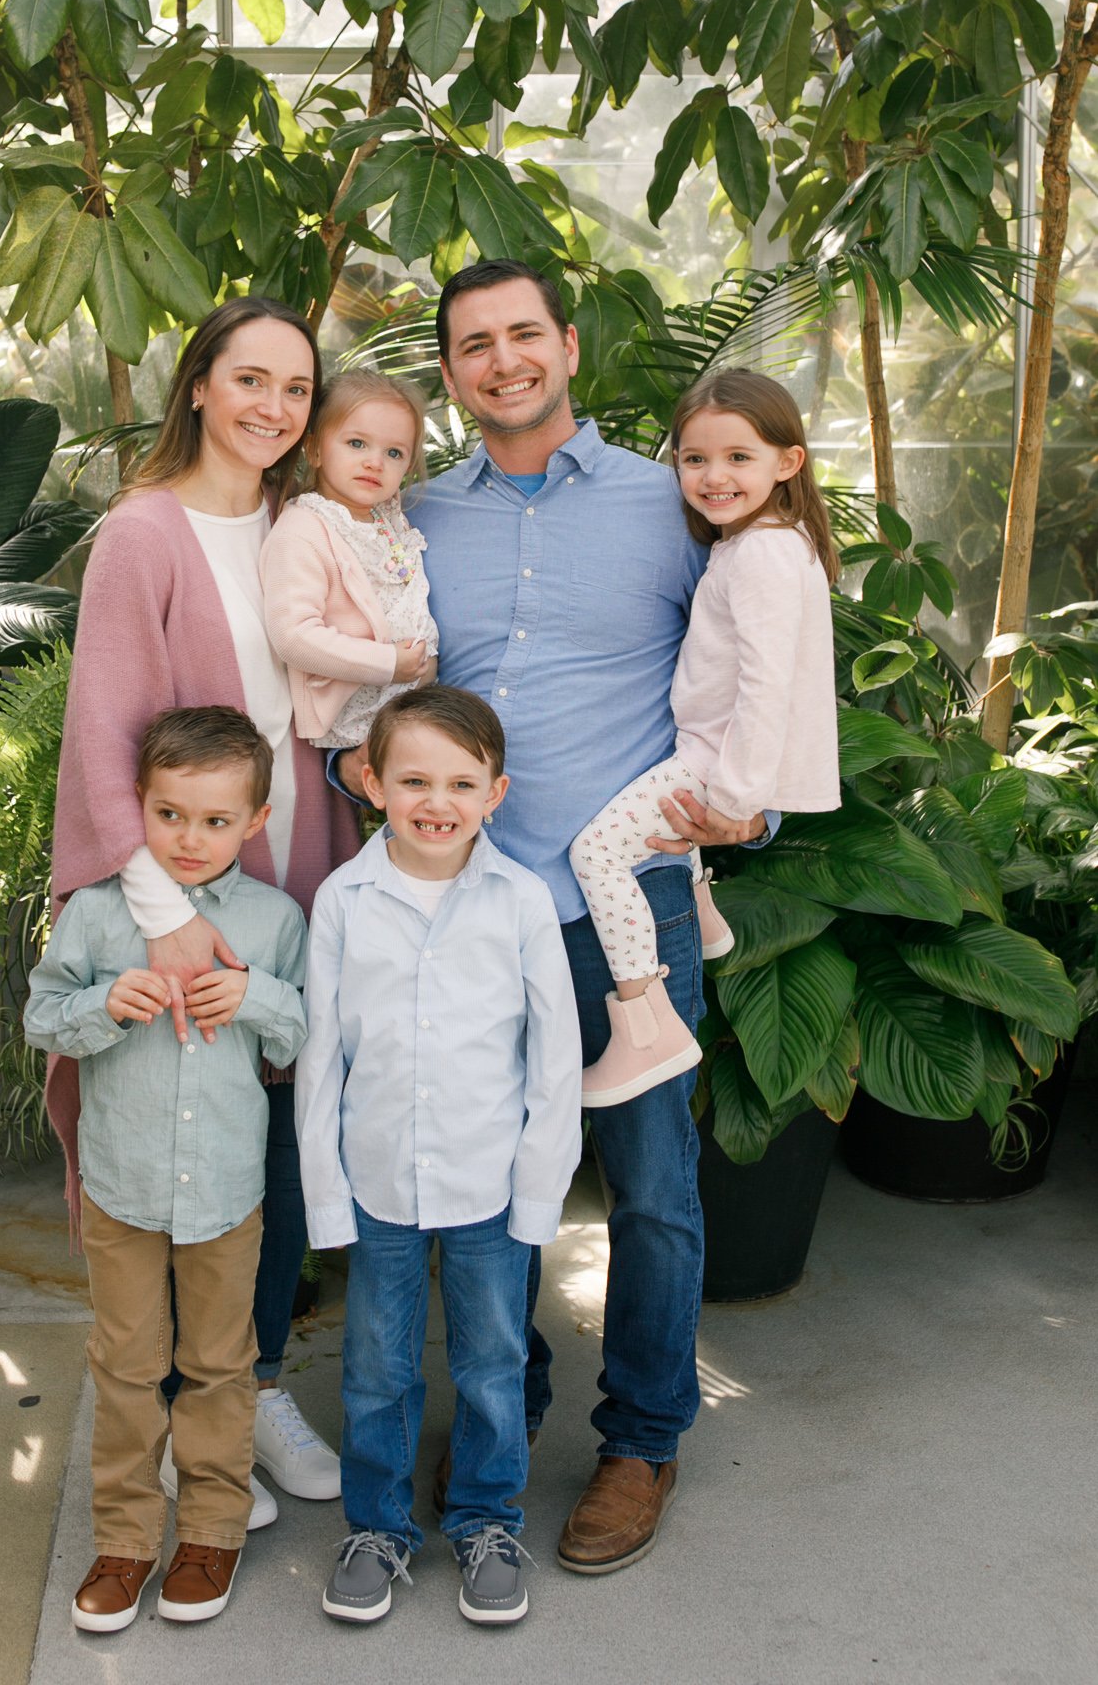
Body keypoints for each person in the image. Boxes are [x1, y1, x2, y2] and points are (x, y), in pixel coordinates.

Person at [334, 260, 780, 1576]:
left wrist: (750, 812)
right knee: (481, 1181)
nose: (501, 360)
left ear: (565, 346)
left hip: (625, 896)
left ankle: (640, 1438)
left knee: (649, 1186)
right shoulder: (409, 519)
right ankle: (497, 1408)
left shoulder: (676, 505)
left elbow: (758, 664)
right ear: (449, 372)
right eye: (472, 344)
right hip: (466, 906)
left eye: (521, 334)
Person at [49, 297, 358, 1518]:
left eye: (296, 387)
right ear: (197, 386)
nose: (274, 406)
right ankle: (179, 1411)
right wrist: (162, 912)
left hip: (298, 877)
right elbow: (103, 735)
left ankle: (248, 1388)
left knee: (267, 1143)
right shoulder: (144, 531)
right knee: (173, 1145)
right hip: (175, 891)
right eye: (250, 379)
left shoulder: (303, 523)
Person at [296, 687, 581, 1630]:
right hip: (378, 1181)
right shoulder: (343, 900)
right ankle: (376, 1528)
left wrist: (539, 1198)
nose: (436, 800)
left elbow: (552, 1063)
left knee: (493, 1361)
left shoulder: (522, 901)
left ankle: (487, 1520)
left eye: (461, 782)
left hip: (489, 1186)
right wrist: (326, 1199)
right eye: (413, 778)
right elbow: (321, 1060)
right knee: (377, 1364)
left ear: (497, 793)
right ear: (372, 782)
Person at [26, 708, 307, 1632]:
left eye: (217, 821)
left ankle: (213, 1529)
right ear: (138, 808)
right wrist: (105, 1003)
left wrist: (256, 995)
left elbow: (305, 1030)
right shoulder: (101, 911)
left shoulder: (273, 919)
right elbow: (43, 1015)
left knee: (222, 1365)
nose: (190, 840)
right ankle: (124, 1539)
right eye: (170, 814)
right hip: (124, 1186)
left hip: (226, 1191)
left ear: (255, 822)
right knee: (125, 1366)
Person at [570, 370, 841, 1106]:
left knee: (594, 854)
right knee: (646, 824)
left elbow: (765, 684)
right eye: (694, 459)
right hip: (710, 747)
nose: (712, 476)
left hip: (717, 759)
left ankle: (643, 1026)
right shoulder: (764, 541)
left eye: (737, 458)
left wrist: (734, 797)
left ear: (787, 462)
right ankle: (708, 919)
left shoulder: (758, 553)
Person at [259, 368, 439, 749]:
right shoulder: (304, 529)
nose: (375, 462)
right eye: (357, 443)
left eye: (394, 453)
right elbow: (293, 637)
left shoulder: (386, 519)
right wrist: (388, 664)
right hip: (360, 721)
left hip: (413, 707)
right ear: (315, 450)